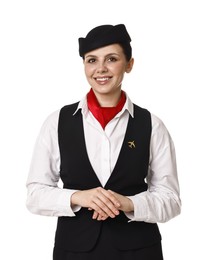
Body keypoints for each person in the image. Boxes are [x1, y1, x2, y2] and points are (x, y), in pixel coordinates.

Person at [26, 24, 181, 260]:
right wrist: (78, 197)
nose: (101, 69)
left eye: (111, 59)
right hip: (74, 252)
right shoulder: (56, 122)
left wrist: (129, 203)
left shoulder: (153, 125)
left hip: (139, 252)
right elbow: (35, 194)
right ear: (84, 66)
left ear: (129, 64)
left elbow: (171, 200)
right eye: (91, 60)